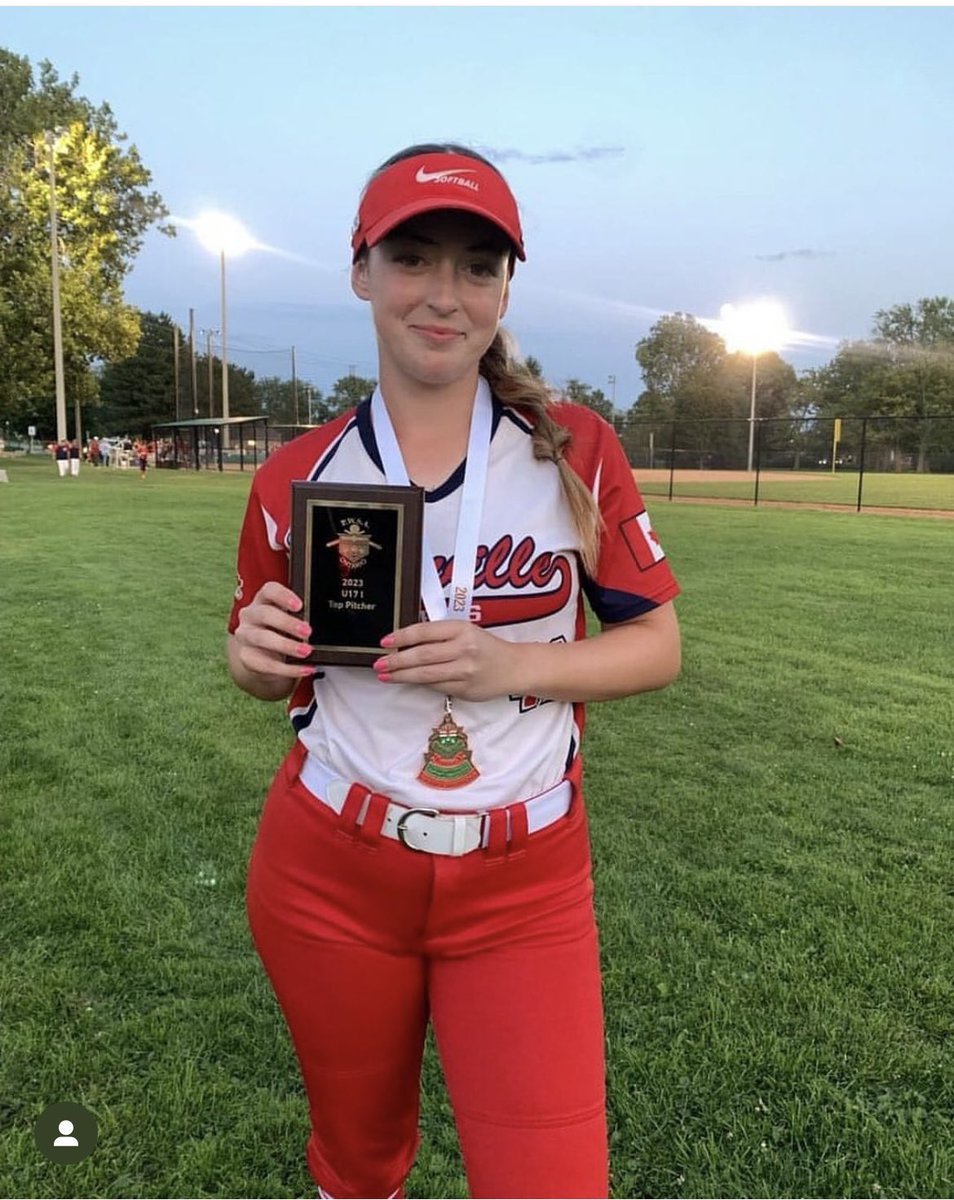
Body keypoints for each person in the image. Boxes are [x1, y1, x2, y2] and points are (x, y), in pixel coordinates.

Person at [227, 143, 681, 1200]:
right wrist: (248, 655)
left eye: (478, 266)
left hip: (525, 880)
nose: (444, 294)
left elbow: (659, 646)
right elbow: (267, 673)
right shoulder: (296, 475)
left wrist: (512, 661)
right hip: (330, 869)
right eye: (412, 257)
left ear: (506, 289)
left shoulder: (573, 448)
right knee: (360, 1162)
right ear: (361, 271)